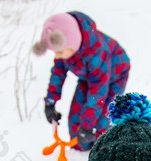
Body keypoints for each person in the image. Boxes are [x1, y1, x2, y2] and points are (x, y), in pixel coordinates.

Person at [32, 12, 130, 151]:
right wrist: (50, 103)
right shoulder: (66, 53)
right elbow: (57, 75)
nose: (57, 56)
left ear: (71, 43)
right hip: (89, 78)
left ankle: (104, 150)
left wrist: (88, 126)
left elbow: (97, 94)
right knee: (76, 123)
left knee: (101, 121)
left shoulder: (97, 51)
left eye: (59, 52)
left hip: (114, 77)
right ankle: (81, 149)